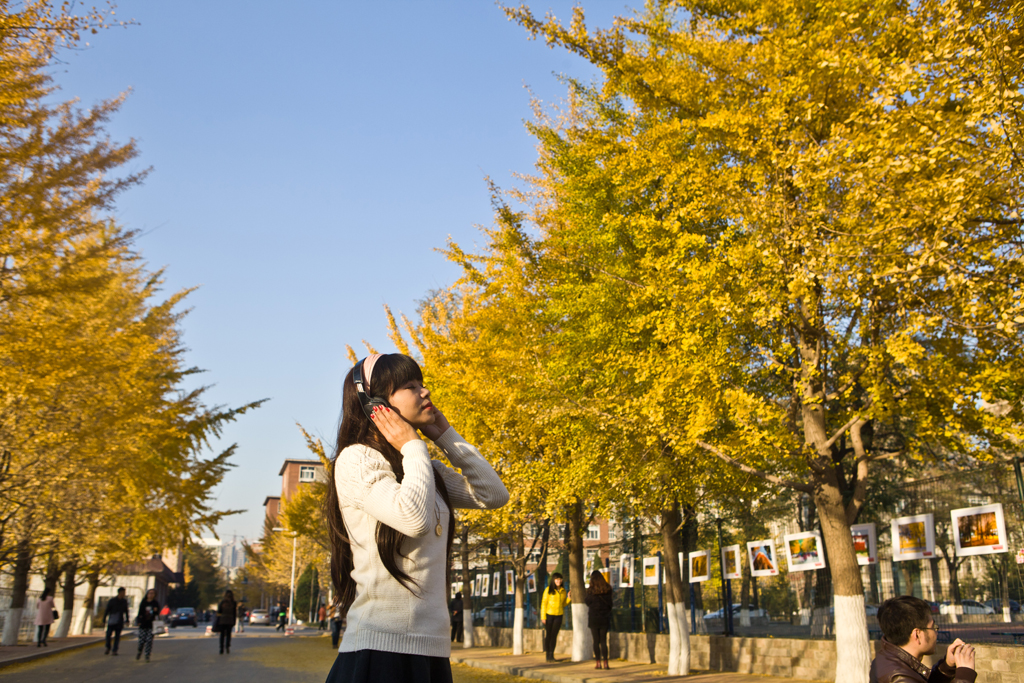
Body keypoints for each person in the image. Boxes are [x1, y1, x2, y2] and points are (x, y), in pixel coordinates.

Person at [323, 353, 508, 683]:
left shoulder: (423, 469)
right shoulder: (356, 460)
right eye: (410, 386)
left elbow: (493, 494)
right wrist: (412, 445)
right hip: (379, 649)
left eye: (422, 384)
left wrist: (446, 436)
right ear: (376, 403)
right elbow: (414, 519)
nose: (425, 392)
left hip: (431, 648)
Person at [871, 596, 976, 683]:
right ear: (917, 635)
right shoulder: (899, 678)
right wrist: (965, 675)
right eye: (933, 627)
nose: (936, 632)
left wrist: (946, 667)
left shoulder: (887, 658)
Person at [584, 571, 613, 670]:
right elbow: (610, 604)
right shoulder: (608, 589)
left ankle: (598, 662)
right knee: (603, 641)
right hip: (604, 617)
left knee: (596, 641)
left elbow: (587, 602)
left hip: (594, 617)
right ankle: (606, 663)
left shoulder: (590, 590)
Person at [540, 573, 570, 662]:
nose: (559, 581)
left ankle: (551, 655)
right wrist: (543, 617)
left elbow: (563, 604)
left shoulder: (563, 591)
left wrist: (569, 598)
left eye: (560, 579)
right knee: (549, 635)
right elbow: (544, 603)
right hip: (549, 615)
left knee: (554, 635)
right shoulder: (548, 590)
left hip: (559, 616)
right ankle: (547, 654)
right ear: (553, 580)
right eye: (557, 579)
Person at [103, 587, 130, 655]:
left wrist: (127, 620)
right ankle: (108, 647)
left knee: (117, 636)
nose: (124, 594)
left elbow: (126, 611)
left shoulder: (124, 601)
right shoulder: (112, 601)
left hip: (119, 621)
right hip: (112, 620)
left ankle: (114, 650)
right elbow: (107, 610)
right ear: (120, 593)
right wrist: (104, 620)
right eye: (123, 592)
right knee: (108, 635)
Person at [136, 588, 160, 662]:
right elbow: (140, 612)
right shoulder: (144, 602)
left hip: (151, 624)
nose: (151, 595)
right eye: (149, 593)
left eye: (152, 593)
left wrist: (156, 610)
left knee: (149, 641)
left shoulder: (155, 603)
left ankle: (147, 655)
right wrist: (139, 621)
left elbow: (157, 613)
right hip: (143, 624)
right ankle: (139, 651)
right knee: (142, 640)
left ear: (154, 595)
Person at [217, 590, 237, 654]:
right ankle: (227, 647)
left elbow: (219, 611)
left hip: (222, 620)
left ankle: (221, 648)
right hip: (230, 620)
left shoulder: (222, 602)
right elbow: (234, 613)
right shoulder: (233, 603)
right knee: (228, 634)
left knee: (222, 634)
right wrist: (234, 621)